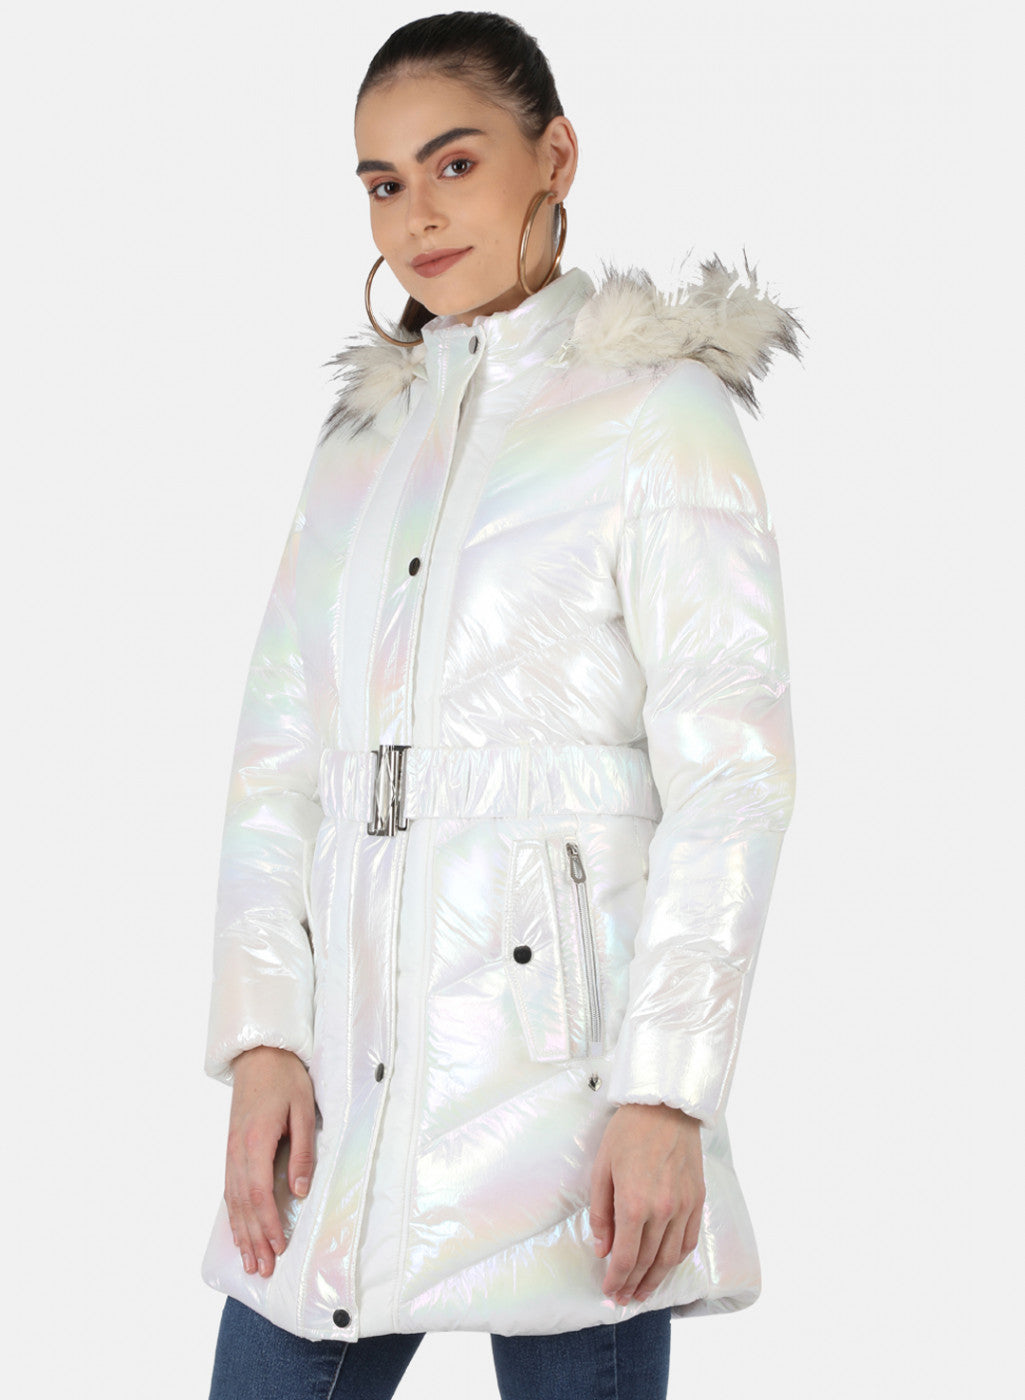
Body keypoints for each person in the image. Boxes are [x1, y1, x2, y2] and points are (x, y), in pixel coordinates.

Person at [202, 11, 803, 1399]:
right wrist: (264, 1036)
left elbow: (731, 778)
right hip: (348, 1077)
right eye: (383, 182)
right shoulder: (362, 440)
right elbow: (277, 765)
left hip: (571, 1095)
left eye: (454, 163)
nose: (416, 214)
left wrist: (665, 1091)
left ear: (556, 156)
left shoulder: (657, 414)